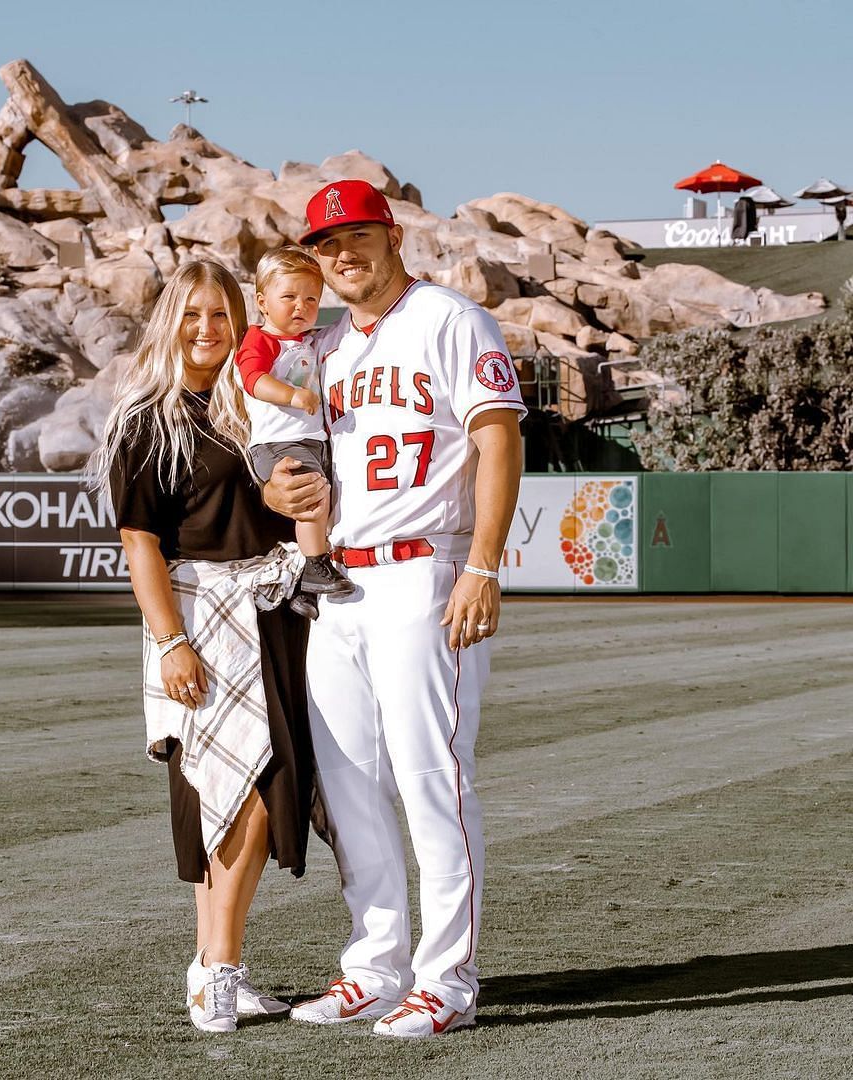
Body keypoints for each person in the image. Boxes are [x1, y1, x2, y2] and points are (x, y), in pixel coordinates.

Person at [265, 180, 526, 1038]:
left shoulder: (450, 320)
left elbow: (498, 439)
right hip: (341, 581)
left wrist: (482, 566)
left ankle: (446, 980)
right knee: (350, 788)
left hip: (425, 573)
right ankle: (374, 967)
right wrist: (282, 488)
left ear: (392, 234)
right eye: (327, 244)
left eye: (357, 237)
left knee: (429, 782)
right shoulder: (329, 347)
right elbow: (299, 463)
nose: (343, 255)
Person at [89, 260, 314, 1034]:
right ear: (169, 321)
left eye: (220, 315)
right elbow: (140, 542)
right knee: (237, 793)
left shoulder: (249, 404)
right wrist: (170, 643)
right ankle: (218, 970)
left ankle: (218, 964)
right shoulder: (149, 416)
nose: (207, 329)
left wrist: (285, 498)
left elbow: (285, 497)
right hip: (199, 618)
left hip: (273, 608)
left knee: (249, 789)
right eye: (192, 314)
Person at [236, 246, 355, 620]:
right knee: (311, 500)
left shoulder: (309, 341)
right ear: (262, 302)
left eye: (311, 298)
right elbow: (253, 380)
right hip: (277, 442)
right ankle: (316, 565)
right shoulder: (261, 339)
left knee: (324, 502)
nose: (300, 306)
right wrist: (292, 394)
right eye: (288, 297)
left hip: (310, 440)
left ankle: (304, 588)